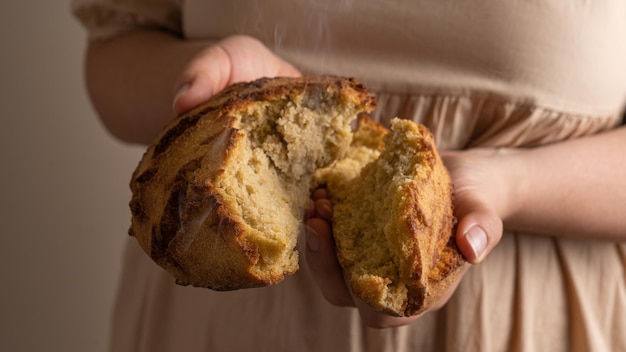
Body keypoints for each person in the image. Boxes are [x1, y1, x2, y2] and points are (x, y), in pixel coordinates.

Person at [72, 0, 626, 351]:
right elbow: (116, 49)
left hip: (533, 324)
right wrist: (214, 88)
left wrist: (512, 183)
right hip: (220, 313)